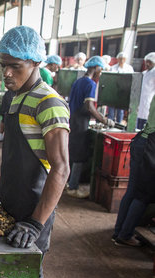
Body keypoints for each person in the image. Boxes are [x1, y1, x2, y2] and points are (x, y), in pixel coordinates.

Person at [0, 26, 71, 278]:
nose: (7, 73)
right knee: (33, 274)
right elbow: (15, 154)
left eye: (15, 66)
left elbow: (60, 169)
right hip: (12, 200)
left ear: (35, 62)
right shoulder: (11, 97)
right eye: (2, 65)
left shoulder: (49, 103)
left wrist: (35, 221)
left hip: (34, 209)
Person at [67, 56, 115, 198]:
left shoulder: (78, 81)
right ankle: (73, 187)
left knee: (72, 151)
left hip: (72, 119)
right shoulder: (91, 84)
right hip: (80, 122)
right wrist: (104, 120)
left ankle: (67, 182)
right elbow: (89, 106)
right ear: (96, 68)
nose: (101, 73)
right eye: (101, 69)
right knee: (79, 155)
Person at [113, 96, 155, 246]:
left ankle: (119, 232)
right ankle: (124, 234)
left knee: (132, 190)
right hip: (150, 146)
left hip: (143, 141)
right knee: (143, 194)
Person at [107, 52, 134, 123]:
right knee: (111, 110)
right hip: (113, 91)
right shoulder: (113, 68)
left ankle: (119, 124)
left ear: (125, 59)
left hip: (123, 92)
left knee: (120, 111)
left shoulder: (129, 68)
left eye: (123, 59)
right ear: (117, 59)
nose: (122, 60)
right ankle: (109, 123)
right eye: (120, 59)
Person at [137, 52, 155, 130]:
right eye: (146, 61)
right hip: (141, 101)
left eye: (149, 62)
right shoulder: (144, 73)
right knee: (139, 122)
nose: (147, 64)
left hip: (149, 101)